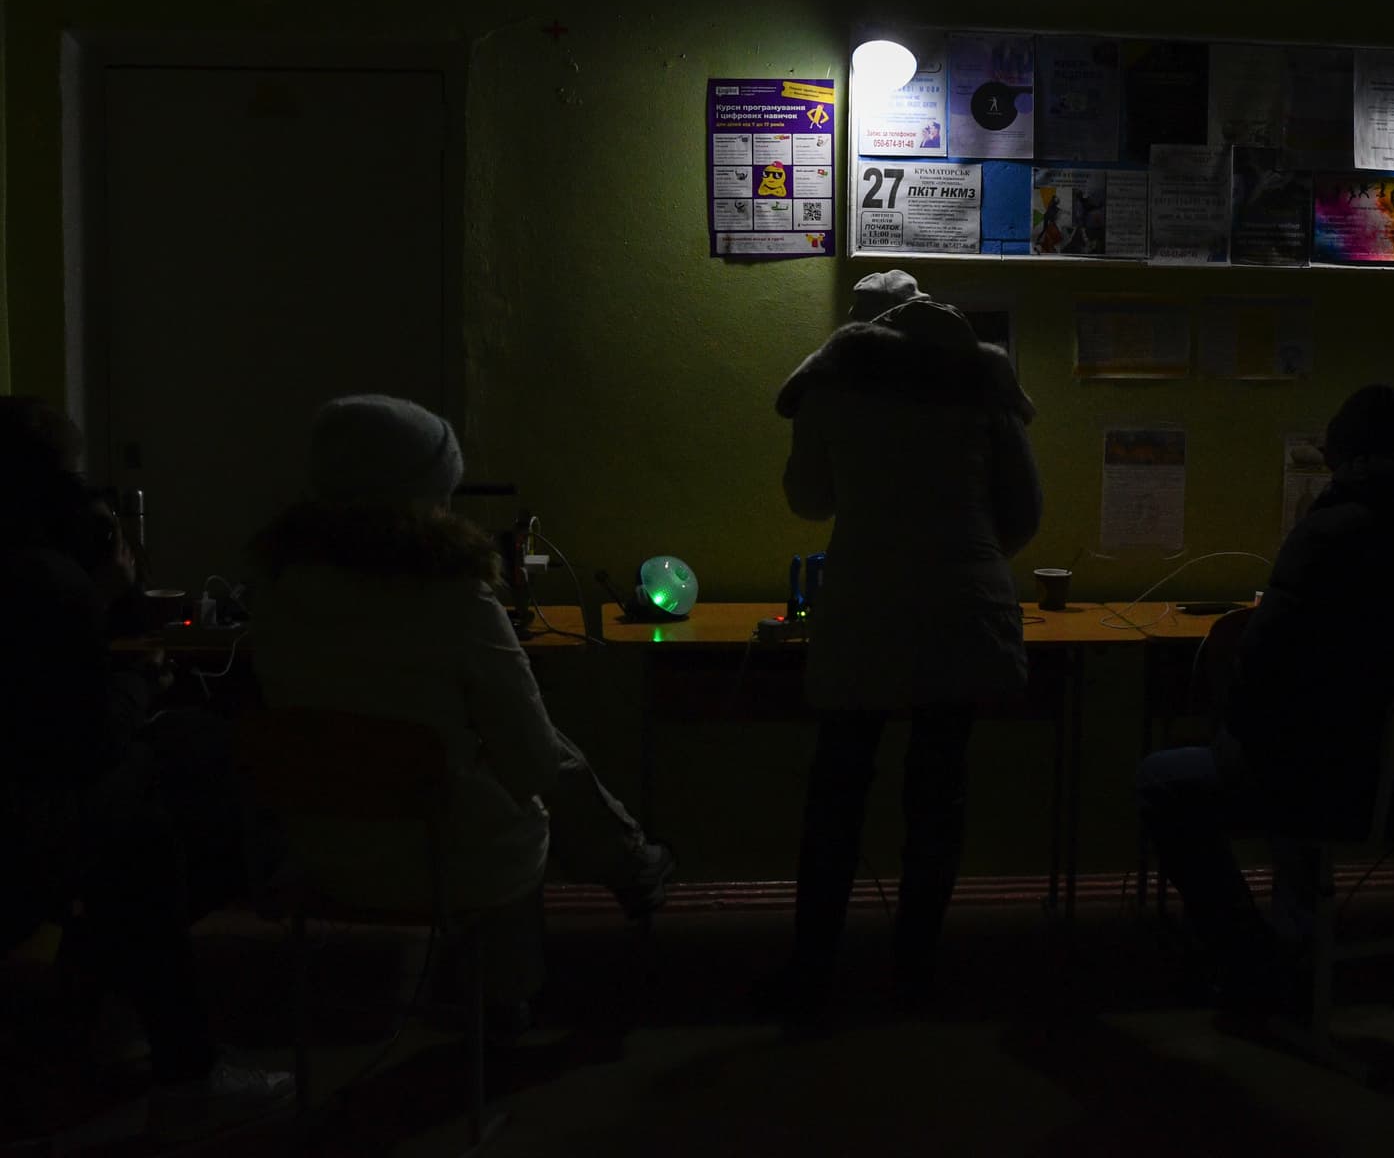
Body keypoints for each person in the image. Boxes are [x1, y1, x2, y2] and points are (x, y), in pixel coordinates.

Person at [247, 395, 672, 1016]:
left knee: (524, 757)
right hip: (448, 855)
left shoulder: (276, 589)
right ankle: (509, 999)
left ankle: (631, 867)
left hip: (321, 848)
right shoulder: (456, 598)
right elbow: (530, 761)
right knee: (534, 773)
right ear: (424, 491)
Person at [1137, 384, 1394, 1010]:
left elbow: (1262, 678)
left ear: (1346, 462)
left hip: (1331, 787)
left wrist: (1231, 732)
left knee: (1168, 779)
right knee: (1288, 754)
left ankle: (1252, 961)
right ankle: (1298, 940)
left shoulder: (1330, 534)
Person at [0, 396, 291, 1126]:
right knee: (164, 811)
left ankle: (106, 995)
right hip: (27, 817)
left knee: (178, 758)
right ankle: (178, 1058)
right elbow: (84, 743)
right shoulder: (43, 581)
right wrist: (131, 656)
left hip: (26, 794)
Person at [761, 281, 1042, 1013]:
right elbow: (1024, 512)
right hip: (964, 610)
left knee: (837, 792)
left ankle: (813, 971)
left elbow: (808, 500)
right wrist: (967, 558)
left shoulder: (832, 387)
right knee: (938, 793)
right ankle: (916, 971)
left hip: (864, 608)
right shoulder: (983, 384)